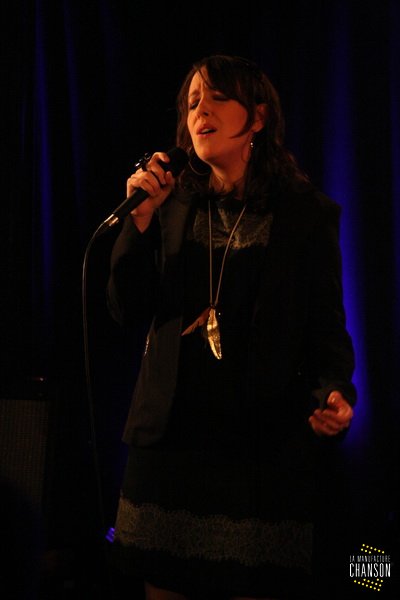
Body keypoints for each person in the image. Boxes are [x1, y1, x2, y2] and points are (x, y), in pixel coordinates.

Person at [106, 54, 356, 600]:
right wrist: (138, 225)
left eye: (218, 97)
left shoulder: (305, 215)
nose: (201, 111)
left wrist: (333, 390)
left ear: (258, 117)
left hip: (258, 450)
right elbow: (126, 310)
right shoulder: (170, 204)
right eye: (193, 102)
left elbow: (325, 327)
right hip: (170, 445)